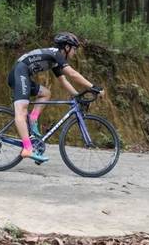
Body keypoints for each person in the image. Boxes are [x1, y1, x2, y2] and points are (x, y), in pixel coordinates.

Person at [7, 32, 104, 162]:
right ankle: (27, 148)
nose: (75, 52)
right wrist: (93, 87)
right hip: (19, 73)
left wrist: (77, 96)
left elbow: (64, 81)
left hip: (23, 74)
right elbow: (72, 74)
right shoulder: (56, 54)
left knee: (45, 93)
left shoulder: (55, 61)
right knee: (21, 110)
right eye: (74, 49)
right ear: (66, 47)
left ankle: (33, 119)